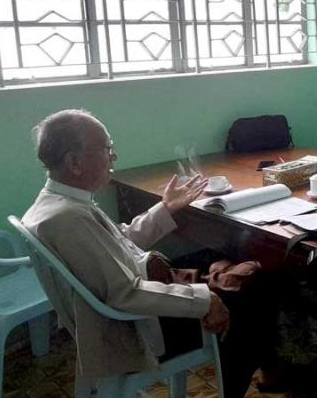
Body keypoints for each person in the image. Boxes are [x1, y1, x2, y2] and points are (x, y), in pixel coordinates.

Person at [22, 109, 280, 397]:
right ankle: (249, 380)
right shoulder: (68, 219)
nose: (114, 156)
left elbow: (118, 241)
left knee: (223, 263)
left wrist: (165, 208)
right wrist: (205, 300)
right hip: (136, 326)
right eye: (107, 148)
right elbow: (126, 294)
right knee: (253, 294)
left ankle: (271, 368)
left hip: (138, 293)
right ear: (74, 162)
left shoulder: (58, 203)